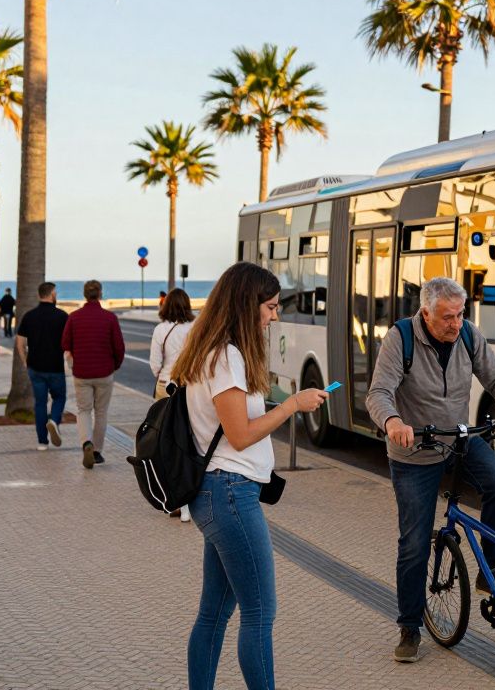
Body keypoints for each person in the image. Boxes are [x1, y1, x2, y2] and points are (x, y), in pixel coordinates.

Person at [170, 261, 327, 690]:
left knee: (214, 613)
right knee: (260, 613)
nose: (275, 316)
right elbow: (240, 435)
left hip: (220, 493)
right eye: (271, 307)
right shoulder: (227, 357)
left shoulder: (214, 351)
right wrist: (292, 405)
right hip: (230, 493)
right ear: (247, 304)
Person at [366, 277, 495, 664]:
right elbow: (379, 392)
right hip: (414, 453)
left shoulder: (468, 335)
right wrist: (392, 422)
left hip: (458, 439)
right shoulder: (400, 339)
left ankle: (490, 565)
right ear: (426, 313)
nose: (455, 324)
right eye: (447, 318)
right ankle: (410, 626)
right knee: (415, 543)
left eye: (460, 315)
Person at [61, 280, 124, 470]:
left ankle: (86, 442)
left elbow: (65, 343)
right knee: (101, 412)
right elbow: (119, 347)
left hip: (82, 373)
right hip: (104, 372)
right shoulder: (109, 318)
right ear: (100, 294)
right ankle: (96, 451)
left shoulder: (74, 317)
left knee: (84, 410)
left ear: (84, 295)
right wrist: (115, 366)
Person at [150, 288, 197, 522]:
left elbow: (154, 363)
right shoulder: (194, 328)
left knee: (167, 443)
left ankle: (173, 500)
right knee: (188, 441)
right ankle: (190, 500)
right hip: (189, 387)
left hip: (165, 387)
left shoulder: (161, 329)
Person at [16, 282, 70, 452]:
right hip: (55, 366)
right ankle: (54, 420)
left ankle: (42, 442)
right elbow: (69, 342)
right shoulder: (62, 316)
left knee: (40, 403)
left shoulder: (29, 316)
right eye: (56, 293)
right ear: (52, 294)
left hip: (35, 366)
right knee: (59, 398)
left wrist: (25, 360)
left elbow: (20, 342)